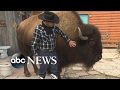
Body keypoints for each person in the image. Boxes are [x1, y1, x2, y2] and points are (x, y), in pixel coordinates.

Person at [31, 11, 76, 79]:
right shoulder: (38, 29)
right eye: (52, 22)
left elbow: (62, 33)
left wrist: (69, 40)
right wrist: (36, 55)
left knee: (55, 70)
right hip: (43, 52)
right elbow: (34, 44)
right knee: (43, 71)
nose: (54, 23)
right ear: (46, 21)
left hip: (53, 52)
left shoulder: (54, 27)